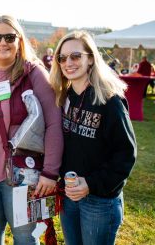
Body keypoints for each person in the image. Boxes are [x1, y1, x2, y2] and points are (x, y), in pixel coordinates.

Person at [0, 15, 63, 245]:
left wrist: (50, 172)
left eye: (9, 37)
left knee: (25, 238)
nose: (2, 43)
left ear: (20, 41)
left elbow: (54, 124)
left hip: (22, 176)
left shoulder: (33, 74)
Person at [49, 30, 136, 245]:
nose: (68, 62)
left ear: (90, 59)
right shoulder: (65, 97)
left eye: (76, 56)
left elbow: (126, 155)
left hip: (99, 200)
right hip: (69, 195)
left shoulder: (110, 100)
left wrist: (90, 183)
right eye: (62, 57)